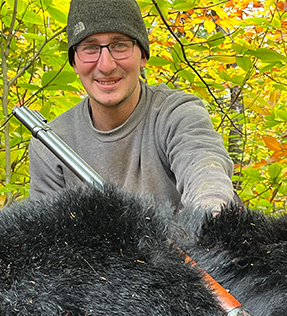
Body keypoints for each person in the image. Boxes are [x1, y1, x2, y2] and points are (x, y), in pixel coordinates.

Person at [28, 0, 238, 231]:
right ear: (75, 62)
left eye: (120, 45)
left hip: (187, 257)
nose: (106, 65)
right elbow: (49, 236)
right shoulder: (50, 143)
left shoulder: (176, 113)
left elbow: (204, 168)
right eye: (90, 48)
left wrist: (209, 218)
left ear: (143, 56)